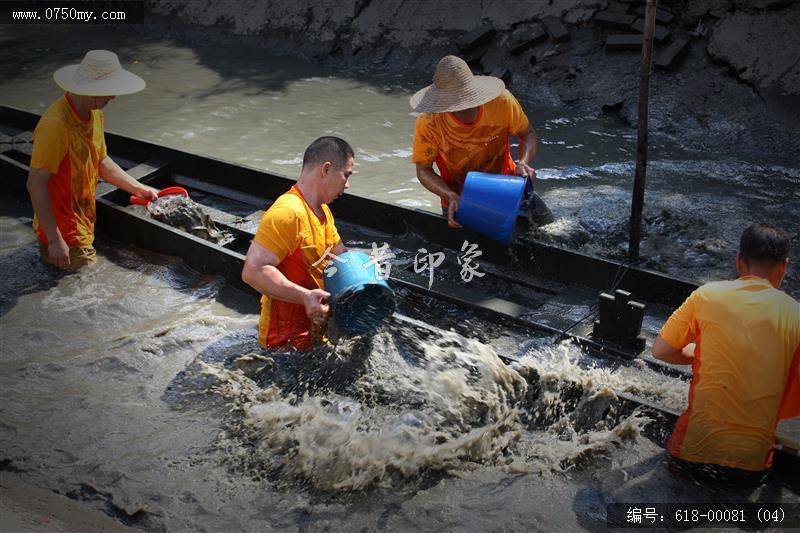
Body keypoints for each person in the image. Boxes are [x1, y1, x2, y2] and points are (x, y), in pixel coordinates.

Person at [653, 223, 799, 484]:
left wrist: (700, 353)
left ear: (739, 262)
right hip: (751, 467)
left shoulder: (707, 295)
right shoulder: (795, 315)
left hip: (690, 455)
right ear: (784, 267)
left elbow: (661, 351)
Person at [26, 50, 159, 271]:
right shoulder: (57, 126)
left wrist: (138, 188)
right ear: (92, 90)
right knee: (88, 281)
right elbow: (35, 183)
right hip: (65, 231)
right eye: (110, 91)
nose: (114, 97)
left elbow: (101, 161)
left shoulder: (94, 112)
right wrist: (54, 239)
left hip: (81, 219)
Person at [410, 55, 553, 229]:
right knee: (471, 251)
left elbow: (528, 134)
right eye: (455, 105)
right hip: (460, 199)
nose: (463, 109)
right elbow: (423, 170)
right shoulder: (429, 122)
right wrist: (450, 195)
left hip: (507, 188)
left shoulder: (502, 102)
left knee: (550, 230)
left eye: (466, 103)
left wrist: (523, 163)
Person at [242, 137, 353, 351]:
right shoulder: (288, 213)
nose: (347, 184)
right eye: (346, 175)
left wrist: (368, 266)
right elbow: (253, 271)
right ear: (326, 169)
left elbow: (341, 256)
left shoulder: (323, 210)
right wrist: (305, 297)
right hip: (282, 343)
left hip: (314, 331)